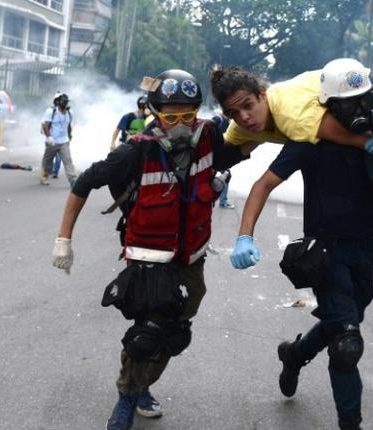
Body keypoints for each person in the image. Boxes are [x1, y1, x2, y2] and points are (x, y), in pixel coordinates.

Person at [50, 69, 248, 430]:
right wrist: (64, 239)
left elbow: (237, 149)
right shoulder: (135, 151)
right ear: (155, 113)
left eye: (188, 115)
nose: (181, 125)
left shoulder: (209, 136)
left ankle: (142, 386)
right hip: (149, 261)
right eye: (171, 116)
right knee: (146, 336)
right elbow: (85, 183)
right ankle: (127, 397)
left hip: (192, 256)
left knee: (174, 334)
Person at [211, 59, 373, 314]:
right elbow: (221, 152)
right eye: (234, 113)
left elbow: (361, 141)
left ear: (262, 94)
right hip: (347, 101)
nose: (245, 117)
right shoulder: (243, 127)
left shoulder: (295, 117)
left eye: (248, 106)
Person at [230, 132, 373, 429]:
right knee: (346, 343)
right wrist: (245, 235)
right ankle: (350, 423)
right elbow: (264, 184)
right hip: (326, 254)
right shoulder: (309, 140)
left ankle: (295, 354)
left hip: (364, 252)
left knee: (342, 321)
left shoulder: (371, 141)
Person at [40, 92, 75, 186]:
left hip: (64, 141)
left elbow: (68, 125)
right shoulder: (51, 111)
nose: (65, 104)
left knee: (68, 160)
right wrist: (49, 137)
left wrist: (70, 135)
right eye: (63, 102)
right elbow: (45, 125)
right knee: (47, 161)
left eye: (66, 102)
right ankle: (44, 177)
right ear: (58, 102)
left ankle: (72, 180)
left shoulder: (69, 112)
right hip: (53, 141)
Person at [210, 112, 235, 208]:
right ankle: (222, 201)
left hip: (219, 156)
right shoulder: (218, 119)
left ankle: (220, 200)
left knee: (225, 176)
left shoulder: (229, 122)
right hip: (213, 156)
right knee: (225, 175)